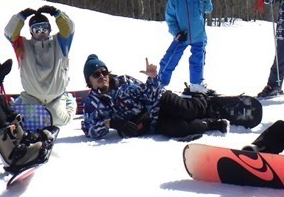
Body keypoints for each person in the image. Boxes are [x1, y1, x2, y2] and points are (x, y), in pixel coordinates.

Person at [81, 54, 229, 141]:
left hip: (159, 100)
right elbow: (89, 129)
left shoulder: (124, 81)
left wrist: (152, 79)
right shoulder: (92, 104)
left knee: (186, 110)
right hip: (151, 122)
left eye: (104, 72)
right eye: (96, 74)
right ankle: (211, 123)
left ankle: (207, 101)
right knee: (180, 129)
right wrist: (110, 123)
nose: (102, 76)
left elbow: (148, 94)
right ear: (89, 80)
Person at [5, 3, 76, 129]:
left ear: (49, 29)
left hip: (55, 96)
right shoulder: (22, 46)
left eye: (44, 28)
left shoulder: (60, 43)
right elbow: (9, 33)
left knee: (60, 120)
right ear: (31, 32)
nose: (41, 32)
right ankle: (20, 102)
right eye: (37, 30)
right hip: (32, 96)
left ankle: (68, 99)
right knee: (22, 123)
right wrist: (21, 17)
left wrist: (57, 14)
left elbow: (69, 29)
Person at [157, 0, 214, 93]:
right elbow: (170, 19)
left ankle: (196, 83)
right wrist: (176, 33)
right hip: (182, 35)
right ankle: (160, 83)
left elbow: (208, 9)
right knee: (170, 58)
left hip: (198, 35)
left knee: (198, 60)